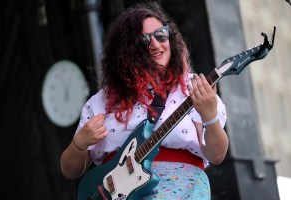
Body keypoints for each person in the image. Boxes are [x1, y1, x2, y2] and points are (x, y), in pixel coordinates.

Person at [60, 2, 228, 199]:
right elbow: (69, 170)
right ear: (125, 51)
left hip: (183, 191)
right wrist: (79, 144)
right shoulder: (100, 103)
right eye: (144, 40)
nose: (155, 44)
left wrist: (210, 115)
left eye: (161, 35)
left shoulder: (193, 88)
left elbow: (217, 155)